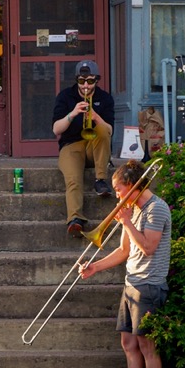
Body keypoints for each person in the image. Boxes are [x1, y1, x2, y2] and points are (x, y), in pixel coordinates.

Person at [79, 160, 171, 368]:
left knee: (147, 345)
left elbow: (148, 248)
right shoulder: (132, 209)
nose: (116, 195)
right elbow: (124, 251)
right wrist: (94, 267)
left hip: (150, 286)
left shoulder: (156, 209)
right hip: (132, 283)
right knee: (128, 342)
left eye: (119, 189)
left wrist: (128, 223)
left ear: (131, 186)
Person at [52, 60, 115, 237]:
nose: (86, 85)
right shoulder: (65, 96)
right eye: (81, 81)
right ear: (76, 80)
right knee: (73, 179)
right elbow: (56, 129)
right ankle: (75, 219)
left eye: (90, 81)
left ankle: (100, 179)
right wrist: (72, 114)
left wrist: (95, 117)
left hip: (94, 147)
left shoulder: (105, 98)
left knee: (102, 129)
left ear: (97, 80)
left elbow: (109, 131)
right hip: (71, 146)